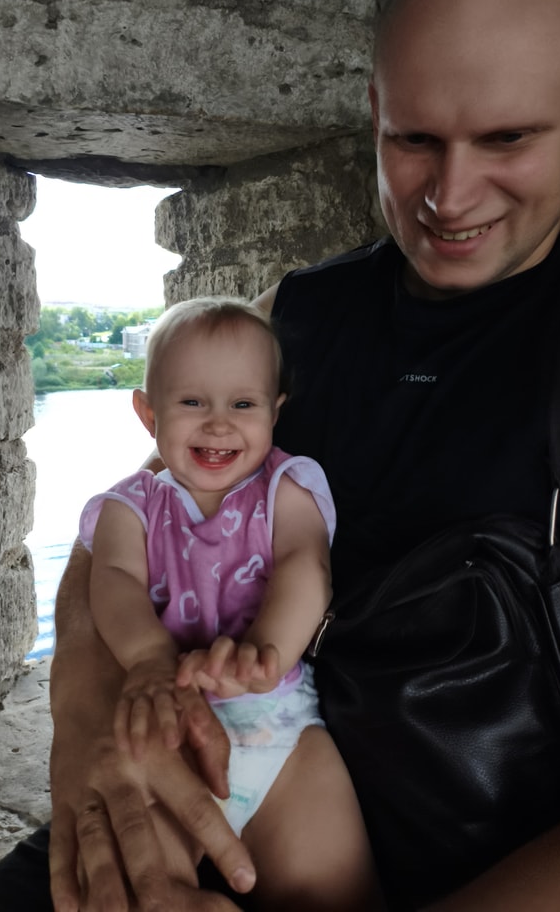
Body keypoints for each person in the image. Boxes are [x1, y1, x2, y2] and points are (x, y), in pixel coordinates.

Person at [0, 0, 560, 912]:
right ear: (374, 111)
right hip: (214, 785)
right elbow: (126, 525)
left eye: (507, 139)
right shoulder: (302, 313)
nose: (450, 195)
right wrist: (89, 726)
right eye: (414, 139)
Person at [77, 297, 376, 910]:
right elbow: (114, 582)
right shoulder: (129, 508)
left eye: (243, 405)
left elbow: (305, 566)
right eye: (193, 402)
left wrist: (267, 650)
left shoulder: (286, 487)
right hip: (166, 736)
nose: (219, 425)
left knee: (337, 894)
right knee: (135, 888)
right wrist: (149, 659)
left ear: (275, 411)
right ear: (148, 413)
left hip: (279, 730)